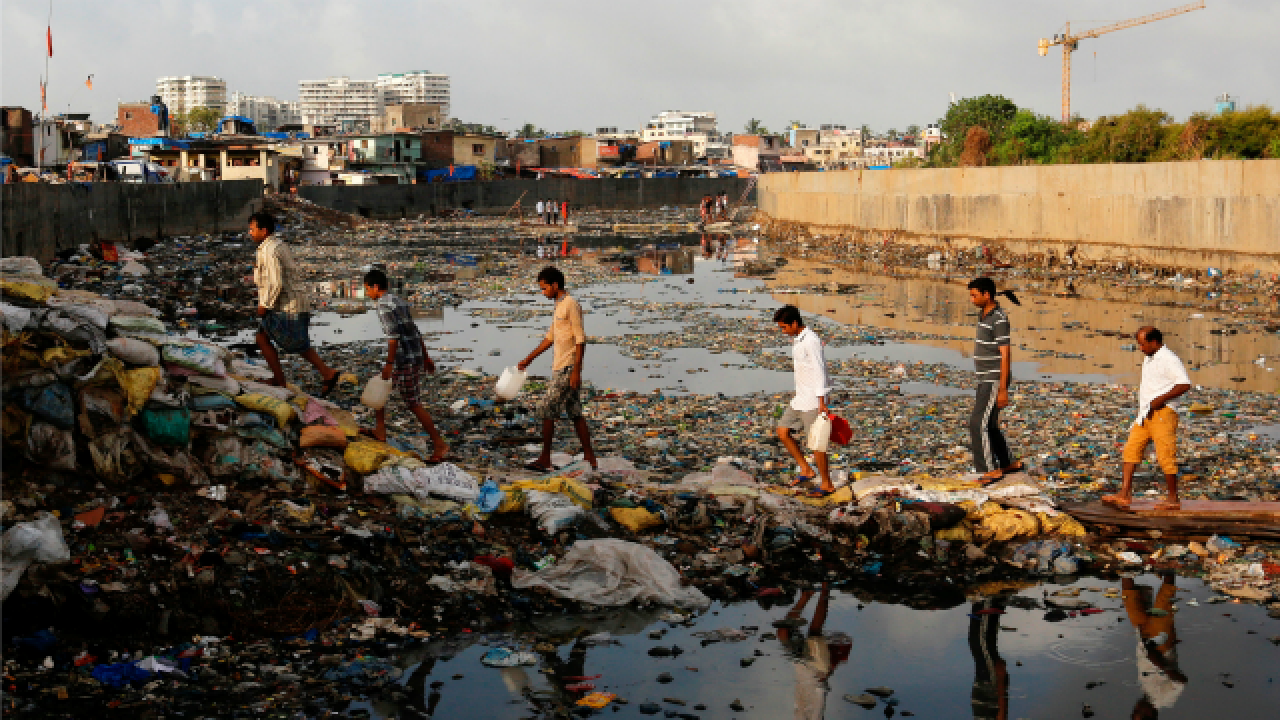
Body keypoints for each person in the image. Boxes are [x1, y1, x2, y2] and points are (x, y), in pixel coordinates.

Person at [250, 211, 341, 394]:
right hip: (289, 302)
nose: (250, 233)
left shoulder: (269, 251)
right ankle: (285, 378)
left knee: (296, 344)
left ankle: (324, 373)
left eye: (252, 229)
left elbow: (276, 282)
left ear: (264, 230)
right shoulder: (276, 245)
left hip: (288, 305)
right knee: (267, 338)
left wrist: (264, 305)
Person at [363, 269, 449, 460]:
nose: (368, 294)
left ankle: (440, 444)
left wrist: (389, 363)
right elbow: (415, 331)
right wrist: (425, 357)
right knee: (380, 388)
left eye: (368, 289)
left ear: (375, 287)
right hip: (413, 355)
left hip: (404, 360)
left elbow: (393, 337)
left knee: (413, 403)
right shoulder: (398, 301)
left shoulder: (383, 305)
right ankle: (380, 430)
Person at [517, 266, 598, 471]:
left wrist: (576, 371)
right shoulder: (558, 305)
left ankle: (545, 459)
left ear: (555, 285)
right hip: (560, 366)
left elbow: (580, 338)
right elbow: (550, 338)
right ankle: (590, 457)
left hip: (567, 368)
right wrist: (528, 359)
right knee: (574, 412)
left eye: (544, 288)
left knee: (546, 409)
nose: (543, 293)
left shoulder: (570, 304)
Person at [1103, 327, 1191, 511]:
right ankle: (1124, 494)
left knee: (1166, 455)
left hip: (1163, 413)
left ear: (1154, 342)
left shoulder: (1169, 359)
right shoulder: (1149, 358)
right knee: (1131, 451)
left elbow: (1184, 384)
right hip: (1145, 413)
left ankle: (1173, 498)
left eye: (1143, 344)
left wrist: (1161, 399)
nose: (1141, 348)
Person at [773, 304, 835, 495]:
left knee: (816, 443)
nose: (783, 331)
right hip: (800, 397)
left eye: (784, 327)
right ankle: (806, 469)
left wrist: (822, 402)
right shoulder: (798, 340)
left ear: (794, 323)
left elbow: (819, 370)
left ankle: (827, 484)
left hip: (813, 401)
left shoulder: (811, 341)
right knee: (782, 431)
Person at [968, 277, 1022, 484]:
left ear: (986, 294)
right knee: (989, 424)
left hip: (993, 379)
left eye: (975, 295)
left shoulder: (999, 318)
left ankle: (990, 470)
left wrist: (1002, 389)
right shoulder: (984, 315)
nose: (972, 299)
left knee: (977, 423)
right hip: (985, 378)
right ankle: (1007, 462)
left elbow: (1005, 354)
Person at [776, 582, 851, 720]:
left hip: (800, 668)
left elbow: (799, 701)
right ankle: (824, 590)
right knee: (814, 633)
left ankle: (806, 596)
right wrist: (822, 682)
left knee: (783, 632)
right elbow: (819, 704)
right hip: (817, 673)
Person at [1123, 572, 1187, 716]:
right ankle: (1171, 564)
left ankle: (1126, 566)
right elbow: (1181, 681)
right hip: (1162, 645)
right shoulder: (1165, 700)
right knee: (1163, 602)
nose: (1137, 705)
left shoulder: (1145, 692)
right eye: (1139, 710)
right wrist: (1160, 664)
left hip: (1143, 639)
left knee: (1131, 602)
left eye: (1135, 709)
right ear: (1151, 715)